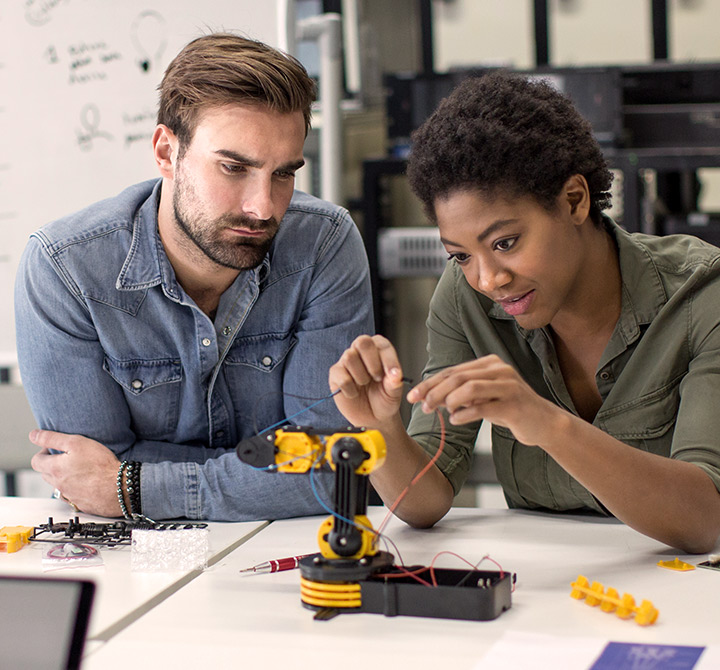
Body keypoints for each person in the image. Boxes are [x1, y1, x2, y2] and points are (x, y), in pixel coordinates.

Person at [329, 70, 720, 554]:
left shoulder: (703, 295)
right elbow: (422, 503)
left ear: (574, 201)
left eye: (505, 243)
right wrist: (380, 426)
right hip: (545, 596)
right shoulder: (463, 297)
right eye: (461, 255)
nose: (488, 278)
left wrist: (546, 423)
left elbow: (704, 520)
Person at [15, 33, 373, 521]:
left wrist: (132, 484)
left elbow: (334, 471)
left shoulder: (324, 245)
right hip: (136, 563)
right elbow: (84, 481)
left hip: (283, 558)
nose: (263, 206)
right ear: (166, 152)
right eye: (233, 167)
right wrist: (259, 475)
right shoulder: (65, 268)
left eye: (283, 174)